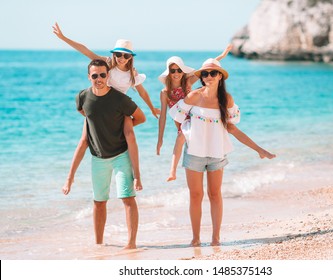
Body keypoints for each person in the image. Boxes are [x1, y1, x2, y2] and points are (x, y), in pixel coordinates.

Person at [169, 58, 275, 246]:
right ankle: (195, 239)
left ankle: (215, 238)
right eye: (204, 74)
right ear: (201, 77)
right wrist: (186, 130)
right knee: (195, 196)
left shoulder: (227, 99)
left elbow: (233, 129)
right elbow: (177, 116)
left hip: (217, 153)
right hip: (194, 153)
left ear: (220, 76)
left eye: (212, 73)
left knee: (215, 194)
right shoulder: (194, 96)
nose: (208, 77)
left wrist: (259, 149)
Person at [53, 22, 158, 192]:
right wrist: (64, 38)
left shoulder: (133, 74)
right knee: (83, 141)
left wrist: (153, 109)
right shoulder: (106, 64)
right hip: (101, 105)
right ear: (114, 54)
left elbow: (143, 93)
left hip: (121, 108)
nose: (121, 58)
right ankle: (69, 179)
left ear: (131, 57)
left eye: (126, 56)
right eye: (118, 54)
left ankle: (137, 176)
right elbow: (85, 51)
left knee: (130, 136)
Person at [65, 59, 145, 249]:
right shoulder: (82, 97)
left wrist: (118, 126)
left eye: (102, 75)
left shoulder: (120, 99)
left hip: (120, 155)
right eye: (95, 75)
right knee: (99, 202)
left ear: (108, 75)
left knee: (127, 198)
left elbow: (141, 118)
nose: (99, 79)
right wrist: (70, 178)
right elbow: (85, 130)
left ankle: (131, 243)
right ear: (89, 77)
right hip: (98, 159)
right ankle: (99, 244)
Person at [156, 46, 231, 181]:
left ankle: (203, 160)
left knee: (187, 138)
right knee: (181, 138)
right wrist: (160, 139)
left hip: (195, 118)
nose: (176, 73)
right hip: (180, 120)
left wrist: (223, 55)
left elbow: (209, 68)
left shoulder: (188, 82)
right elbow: (163, 116)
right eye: (173, 70)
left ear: (183, 71)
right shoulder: (165, 92)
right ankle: (172, 171)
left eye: (179, 70)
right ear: (169, 73)